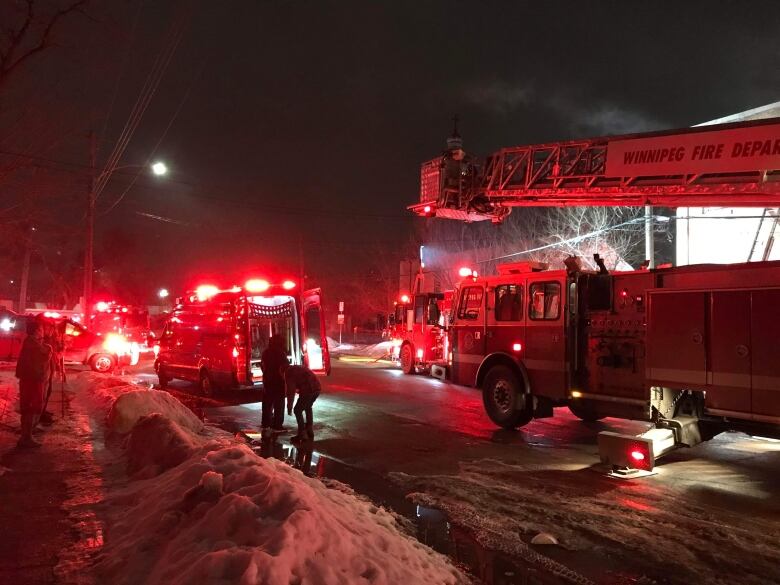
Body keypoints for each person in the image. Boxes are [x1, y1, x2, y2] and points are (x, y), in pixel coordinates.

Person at [15, 319, 53, 448]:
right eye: (41, 329)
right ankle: (26, 437)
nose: (43, 332)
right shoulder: (33, 344)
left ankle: (27, 434)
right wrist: (49, 349)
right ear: (36, 331)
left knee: (28, 407)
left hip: (29, 378)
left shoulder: (31, 342)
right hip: (33, 379)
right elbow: (44, 357)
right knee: (31, 407)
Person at [284, 364, 321, 444]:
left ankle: (302, 433)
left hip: (308, 390)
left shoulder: (289, 373)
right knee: (308, 407)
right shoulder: (298, 367)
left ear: (281, 370)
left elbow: (291, 392)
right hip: (317, 388)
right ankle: (309, 429)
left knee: (297, 410)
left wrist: (289, 407)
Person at [260, 335, 289, 436]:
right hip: (278, 381)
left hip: (267, 380)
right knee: (279, 404)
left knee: (267, 403)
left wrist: (265, 374)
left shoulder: (266, 352)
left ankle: (265, 423)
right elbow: (285, 366)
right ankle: (277, 425)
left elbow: (262, 365)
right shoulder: (281, 353)